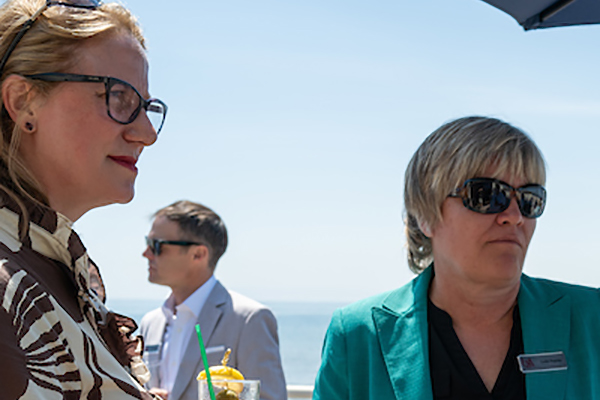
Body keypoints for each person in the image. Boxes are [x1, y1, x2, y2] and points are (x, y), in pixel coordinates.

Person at [313, 116, 600, 399]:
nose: (514, 217)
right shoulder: (358, 336)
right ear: (425, 214)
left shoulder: (591, 320)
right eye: (487, 195)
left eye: (529, 199)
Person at [0, 0, 167, 398]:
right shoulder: (11, 284)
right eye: (119, 97)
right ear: (23, 101)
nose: (147, 133)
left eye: (146, 107)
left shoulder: (53, 270)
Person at [139, 200, 287, 400]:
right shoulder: (151, 322)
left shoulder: (249, 319)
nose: (146, 253)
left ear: (198, 254)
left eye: (156, 245)